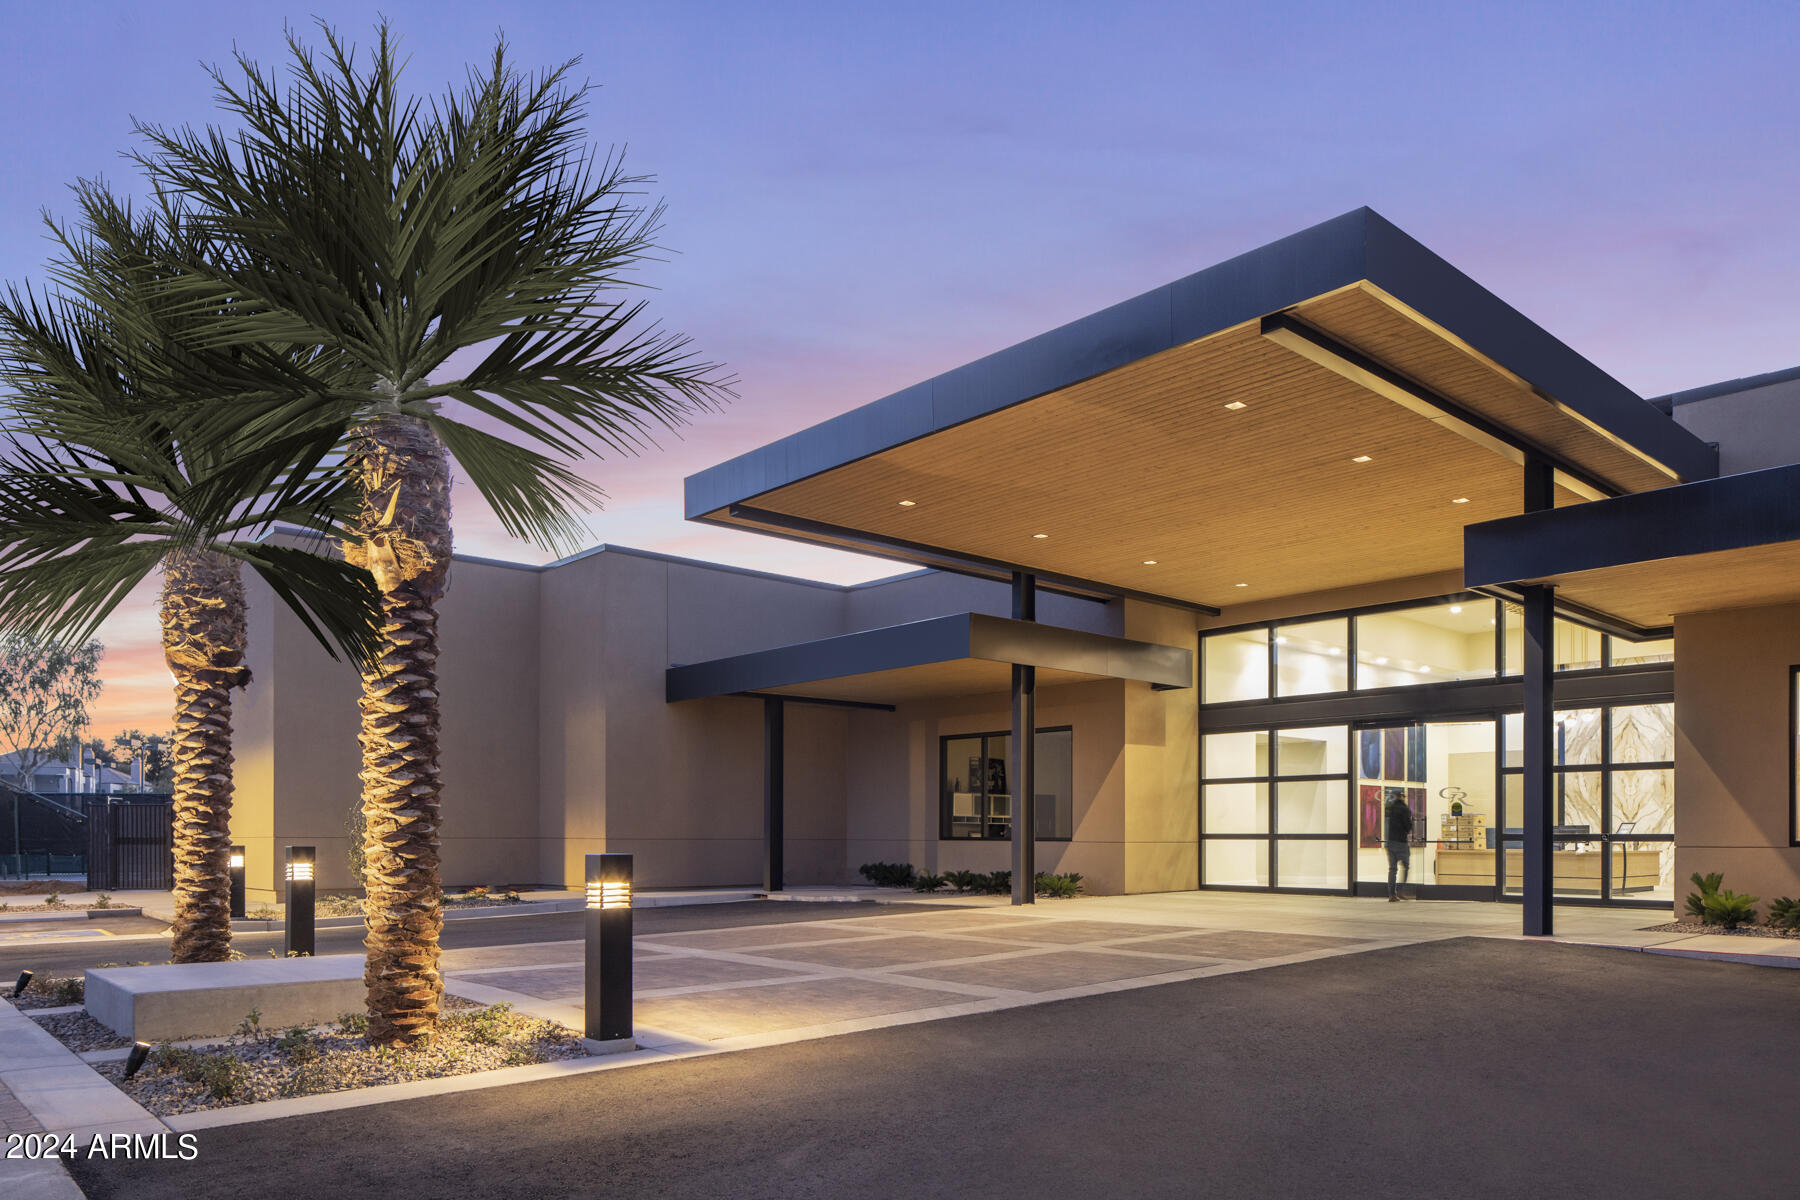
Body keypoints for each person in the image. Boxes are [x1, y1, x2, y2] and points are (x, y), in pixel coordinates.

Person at [1384, 789, 1414, 901]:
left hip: (1390, 842)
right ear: (1402, 796)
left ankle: (1391, 894)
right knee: (1405, 867)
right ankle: (1400, 890)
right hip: (1401, 843)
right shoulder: (1405, 809)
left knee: (1392, 869)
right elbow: (1408, 826)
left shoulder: (1390, 808)